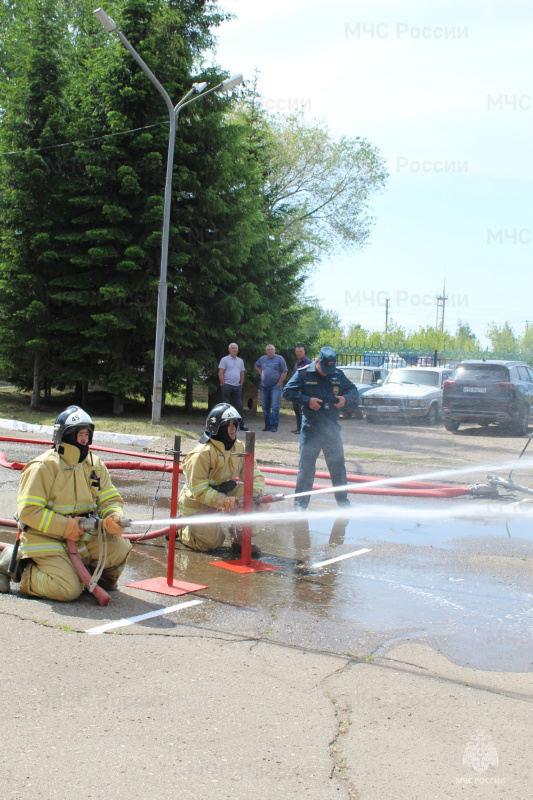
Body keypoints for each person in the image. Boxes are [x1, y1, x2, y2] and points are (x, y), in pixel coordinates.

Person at [0, 406, 132, 600]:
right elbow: (29, 511)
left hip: (82, 535)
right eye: (80, 435)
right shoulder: (43, 467)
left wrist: (114, 516)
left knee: (121, 548)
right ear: (65, 436)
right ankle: (20, 570)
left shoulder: (94, 465)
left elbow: (109, 499)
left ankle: (95, 580)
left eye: (87, 434)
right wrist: (65, 526)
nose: (85, 440)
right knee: (68, 590)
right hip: (46, 539)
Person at [178, 403, 265, 554]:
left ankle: (240, 537)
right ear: (216, 427)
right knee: (210, 544)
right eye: (228, 425)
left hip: (223, 495)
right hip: (199, 504)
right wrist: (223, 501)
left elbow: (253, 474)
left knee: (250, 495)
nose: (233, 428)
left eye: (235, 424)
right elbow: (199, 491)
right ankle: (182, 530)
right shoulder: (202, 454)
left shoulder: (238, 447)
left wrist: (258, 496)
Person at [282, 346, 357, 510]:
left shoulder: (337, 374)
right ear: (317, 361)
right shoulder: (303, 373)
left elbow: (353, 389)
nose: (326, 372)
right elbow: (287, 392)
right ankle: (300, 505)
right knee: (306, 468)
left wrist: (345, 398)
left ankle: (343, 503)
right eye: (324, 368)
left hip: (331, 429)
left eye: (329, 368)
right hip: (311, 429)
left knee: (338, 466)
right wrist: (307, 400)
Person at [254, 344, 287, 432]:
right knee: (265, 407)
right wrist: (261, 373)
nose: (270, 351)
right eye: (268, 349)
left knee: (275, 406)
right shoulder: (262, 359)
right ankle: (267, 425)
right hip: (264, 386)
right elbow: (256, 365)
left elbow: (284, 372)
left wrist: (279, 383)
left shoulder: (280, 358)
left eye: (272, 349)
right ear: (266, 351)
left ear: (275, 350)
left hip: (275, 386)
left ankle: (274, 426)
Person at [218, 342, 248, 431]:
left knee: (239, 406)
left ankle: (241, 425)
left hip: (237, 387)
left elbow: (242, 373)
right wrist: (223, 384)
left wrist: (241, 384)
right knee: (226, 406)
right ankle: (224, 425)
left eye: (236, 348)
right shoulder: (224, 359)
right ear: (229, 350)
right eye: (233, 348)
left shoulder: (240, 361)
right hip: (227, 386)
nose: (234, 349)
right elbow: (220, 372)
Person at [291, 345, 312, 434]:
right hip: (295, 390)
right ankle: (299, 428)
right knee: (296, 409)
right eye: (297, 352)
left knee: (302, 410)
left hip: (302, 391)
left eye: (300, 351)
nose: (299, 353)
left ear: (304, 352)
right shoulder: (297, 362)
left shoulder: (308, 362)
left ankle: (303, 429)